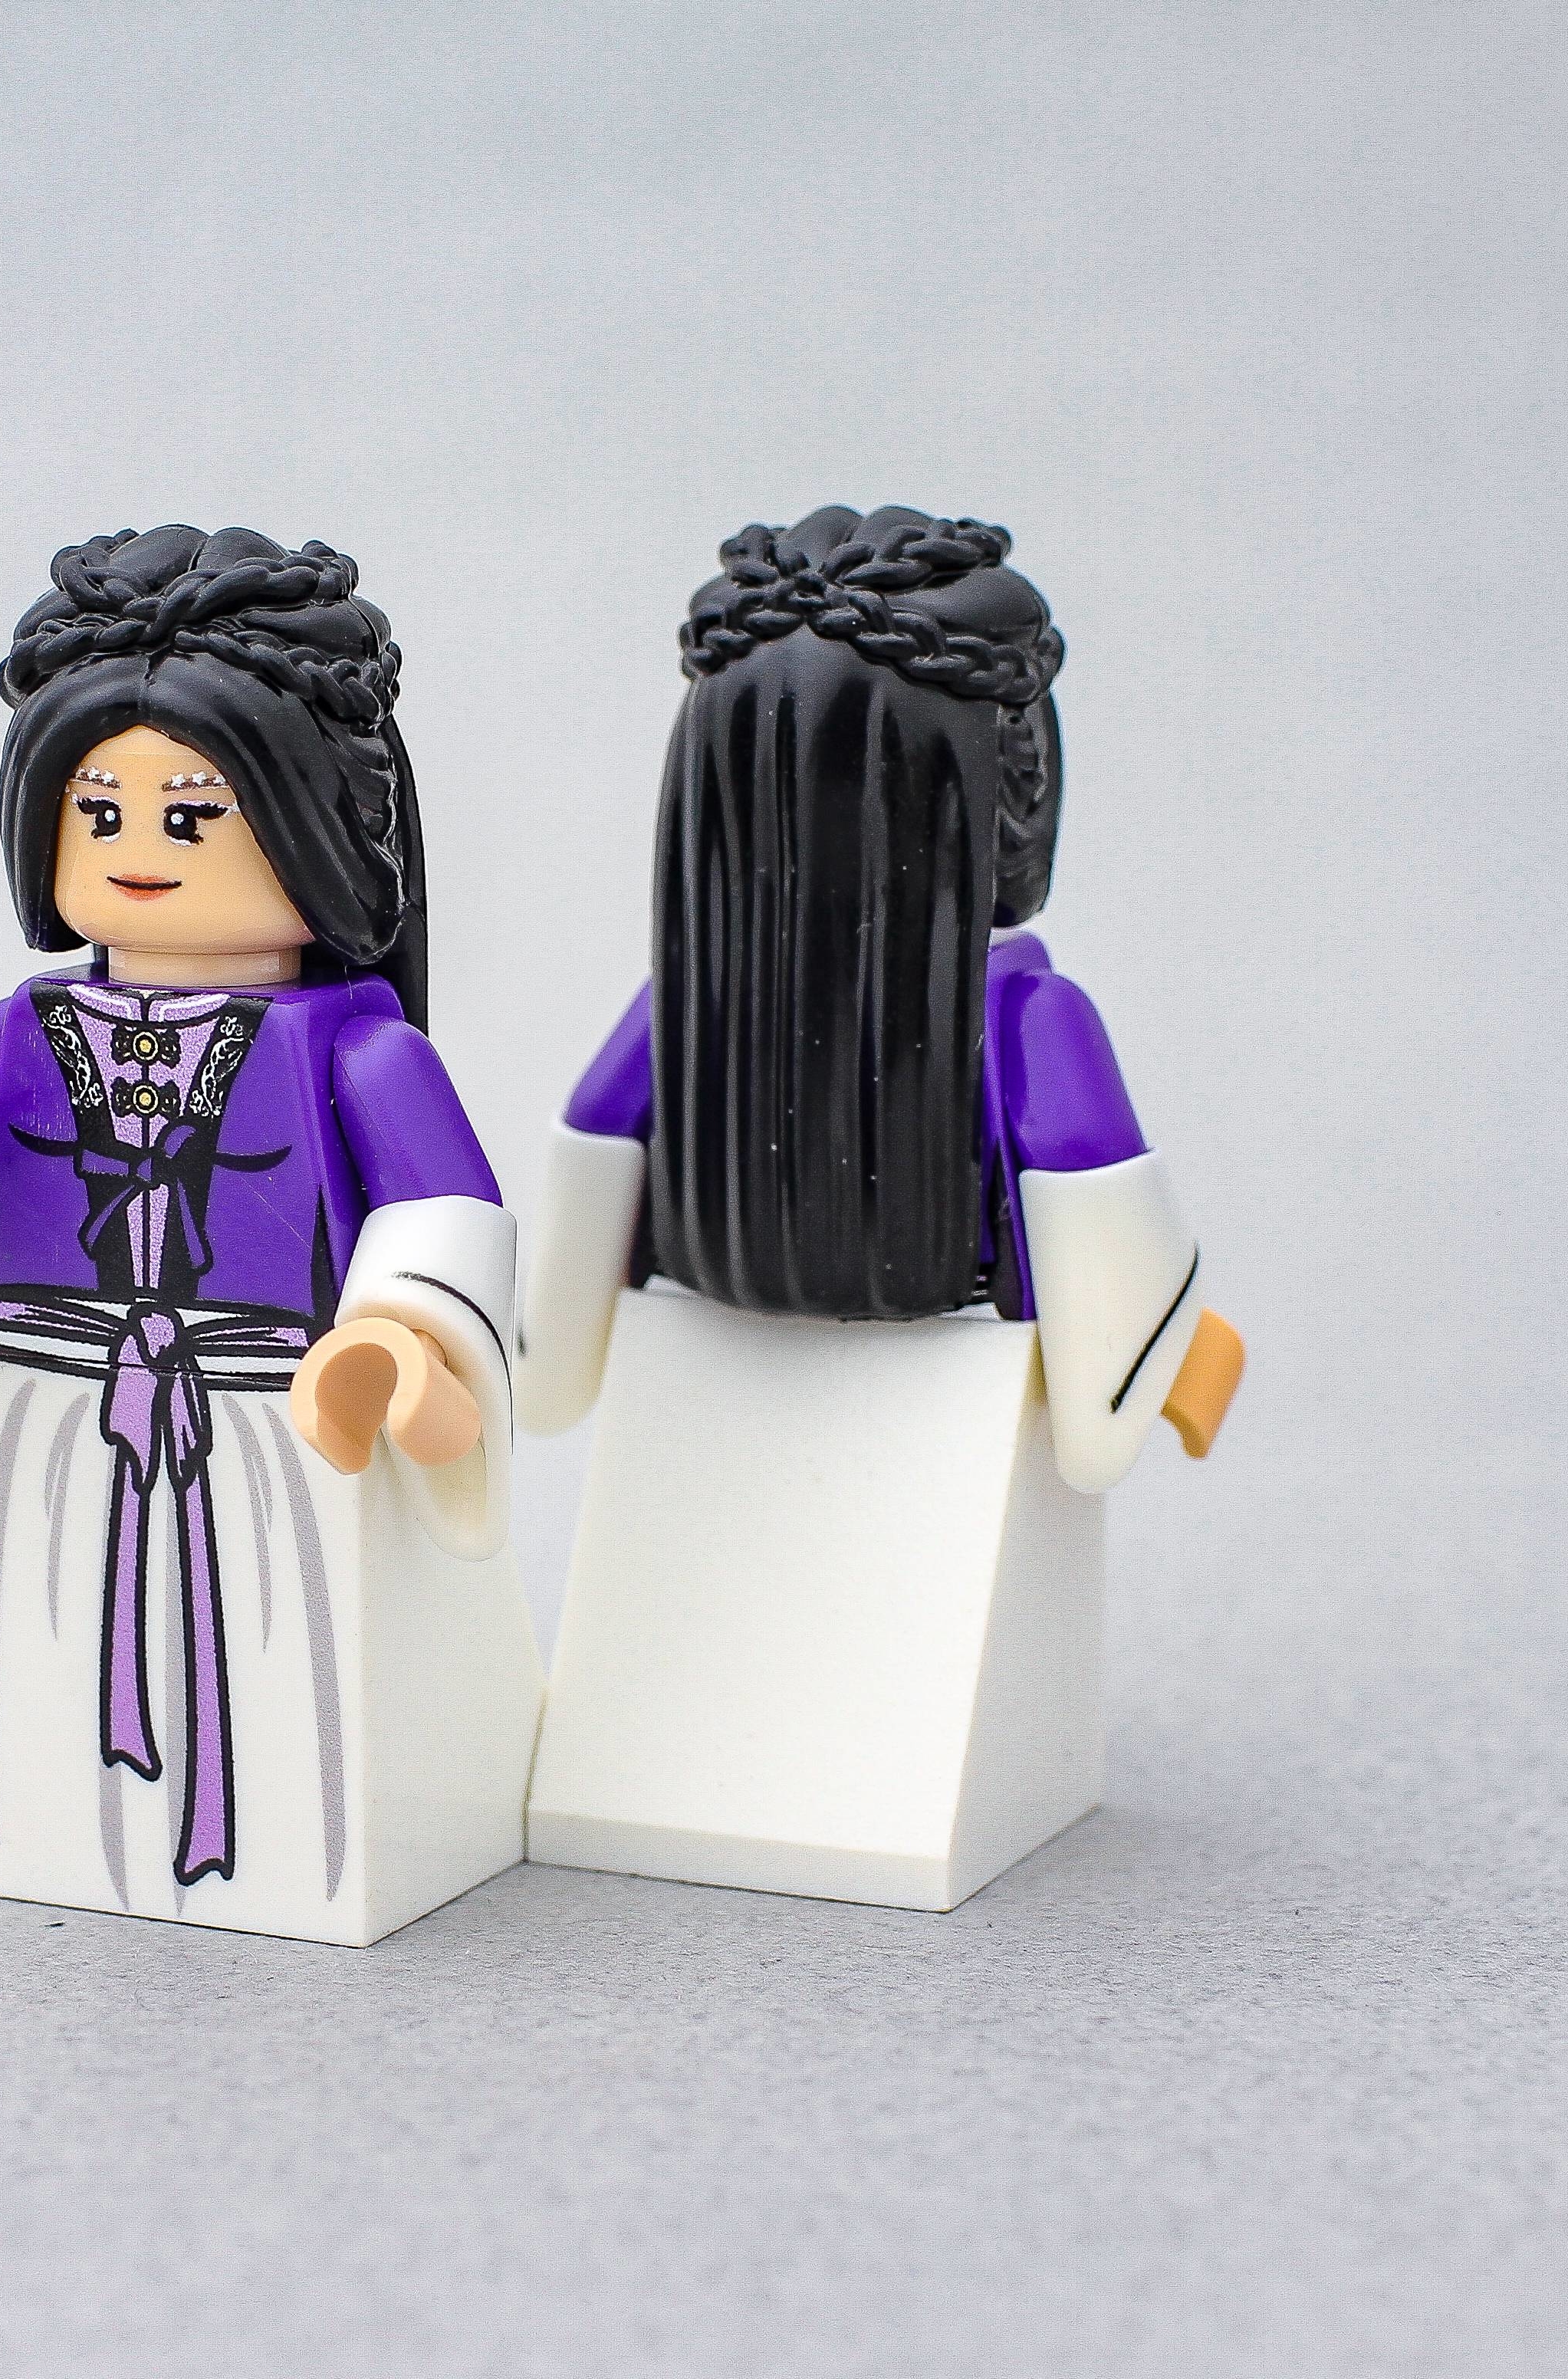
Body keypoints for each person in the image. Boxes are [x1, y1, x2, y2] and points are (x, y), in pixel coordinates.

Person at [0, 527, 542, 1947]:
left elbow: (444, 1210)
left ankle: (297, 1841)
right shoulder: (26, 1033)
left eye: (195, 815)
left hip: (273, 1407)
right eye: (99, 813)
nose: (140, 854)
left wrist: (404, 1334)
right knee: (45, 1632)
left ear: (313, 826)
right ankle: (72, 1840)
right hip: (47, 1394)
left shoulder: (360, 1052)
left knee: (281, 1639)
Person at [518, 505, 1241, 1912]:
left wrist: (550, 1352)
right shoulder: (1029, 1019)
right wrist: (1160, 1348)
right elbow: (1103, 1361)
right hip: (947, 1388)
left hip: (703, 1381)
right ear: (1008, 790)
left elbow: (575, 1238)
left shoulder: (683, 1014)